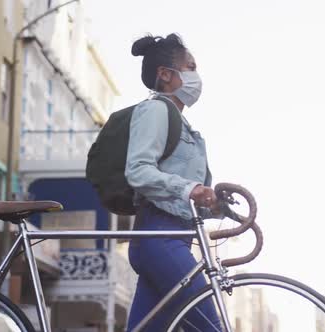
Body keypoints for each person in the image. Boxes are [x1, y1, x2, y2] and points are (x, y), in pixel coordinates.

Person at [125, 33, 221, 331]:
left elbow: (181, 187)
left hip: (172, 238)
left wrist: (215, 203)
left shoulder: (182, 124)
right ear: (166, 75)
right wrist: (189, 188)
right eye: (190, 67)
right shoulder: (155, 110)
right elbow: (138, 170)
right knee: (209, 327)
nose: (196, 76)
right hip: (160, 237)